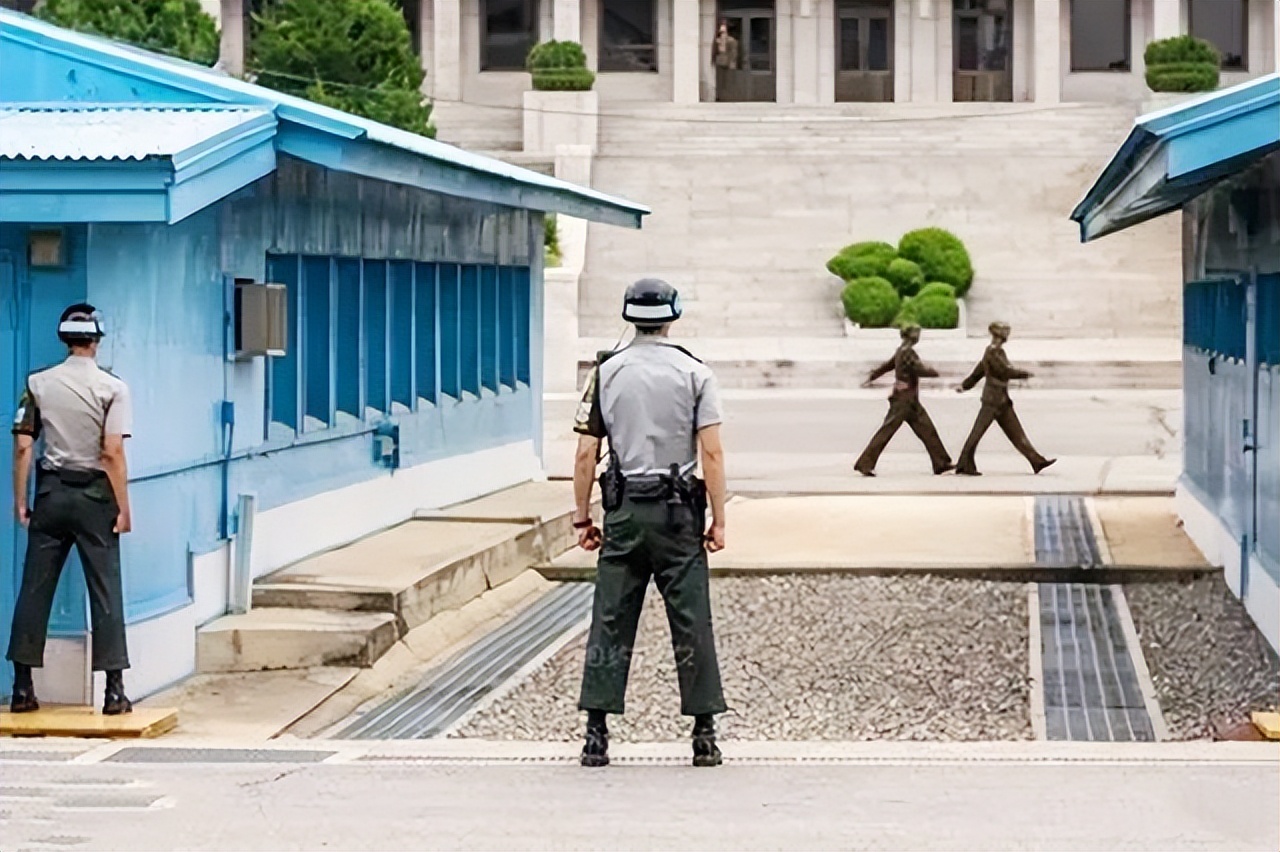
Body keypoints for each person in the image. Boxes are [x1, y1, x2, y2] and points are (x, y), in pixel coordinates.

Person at [572, 278, 727, 768]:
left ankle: (596, 732)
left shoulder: (607, 372)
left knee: (611, 616)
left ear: (628, 317)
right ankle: (704, 733)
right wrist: (719, 520)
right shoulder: (696, 373)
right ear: (673, 316)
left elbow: (584, 453)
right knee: (691, 618)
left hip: (623, 511)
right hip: (679, 512)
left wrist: (582, 519)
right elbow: (712, 452)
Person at [8, 304, 134, 715]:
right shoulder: (113, 388)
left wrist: (22, 500)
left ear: (65, 339)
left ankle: (23, 687)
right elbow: (112, 452)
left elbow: (24, 445)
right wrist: (124, 508)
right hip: (96, 495)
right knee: (105, 589)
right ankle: (113, 691)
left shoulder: (38, 383)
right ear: (96, 340)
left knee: (34, 588)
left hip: (52, 492)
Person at [953, 321, 1056, 476]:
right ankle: (964, 464)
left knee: (1016, 433)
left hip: (1002, 401)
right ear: (999, 336)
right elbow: (1004, 371)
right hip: (992, 401)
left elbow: (979, 372)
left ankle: (1036, 461)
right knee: (977, 433)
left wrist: (965, 385)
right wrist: (1025, 374)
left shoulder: (996, 352)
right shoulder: (993, 353)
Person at [855, 324, 954, 477]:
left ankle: (941, 463)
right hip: (904, 400)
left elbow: (887, 366)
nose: (918, 335)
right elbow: (918, 369)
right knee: (887, 431)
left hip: (910, 399)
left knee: (927, 430)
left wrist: (872, 375)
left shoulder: (902, 350)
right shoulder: (907, 352)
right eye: (916, 332)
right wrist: (935, 372)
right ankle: (865, 463)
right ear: (909, 335)